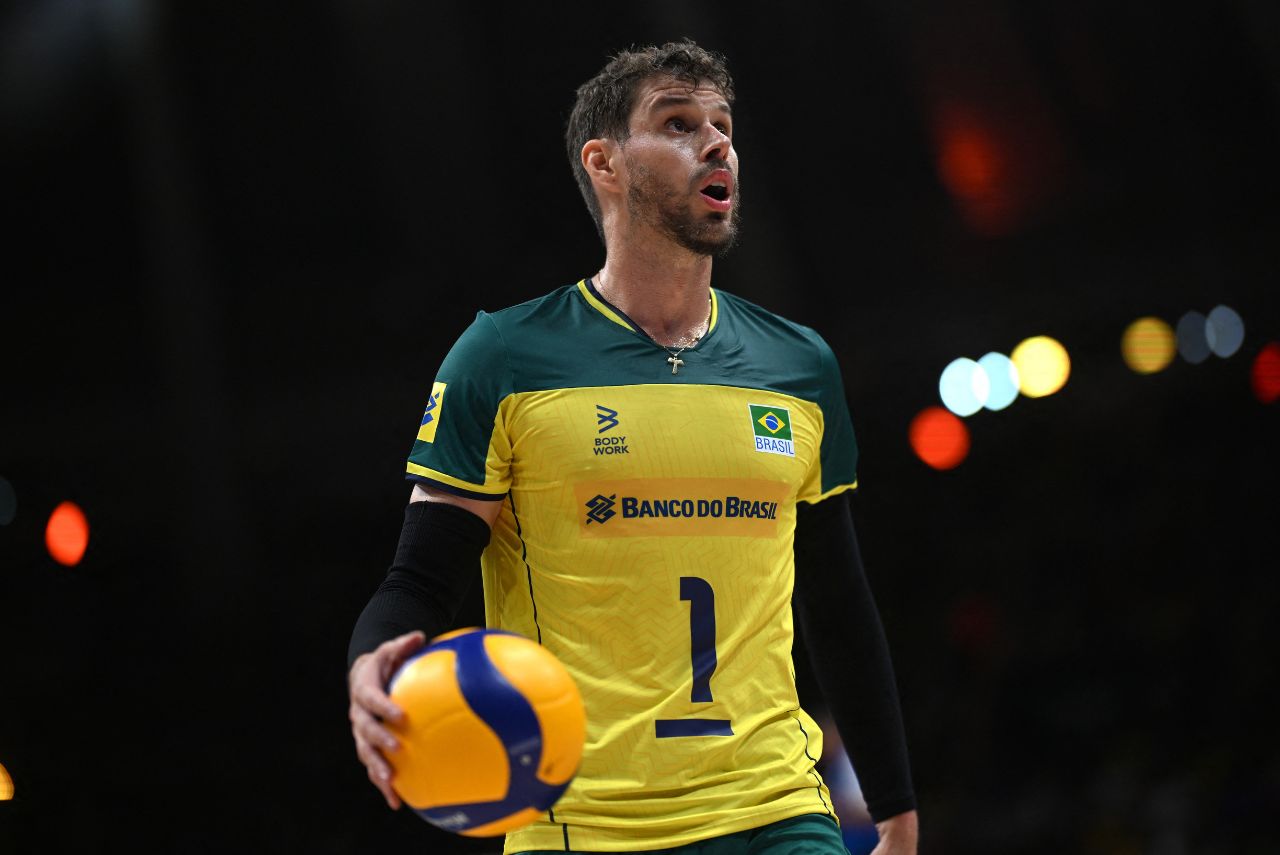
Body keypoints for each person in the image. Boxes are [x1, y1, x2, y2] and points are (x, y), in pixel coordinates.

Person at [347, 39, 919, 855]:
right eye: (679, 123)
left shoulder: (799, 365)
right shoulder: (504, 357)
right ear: (605, 163)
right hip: (583, 827)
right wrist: (370, 661)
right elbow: (418, 578)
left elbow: (838, 597)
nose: (717, 143)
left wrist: (895, 804)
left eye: (723, 125)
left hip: (776, 814)